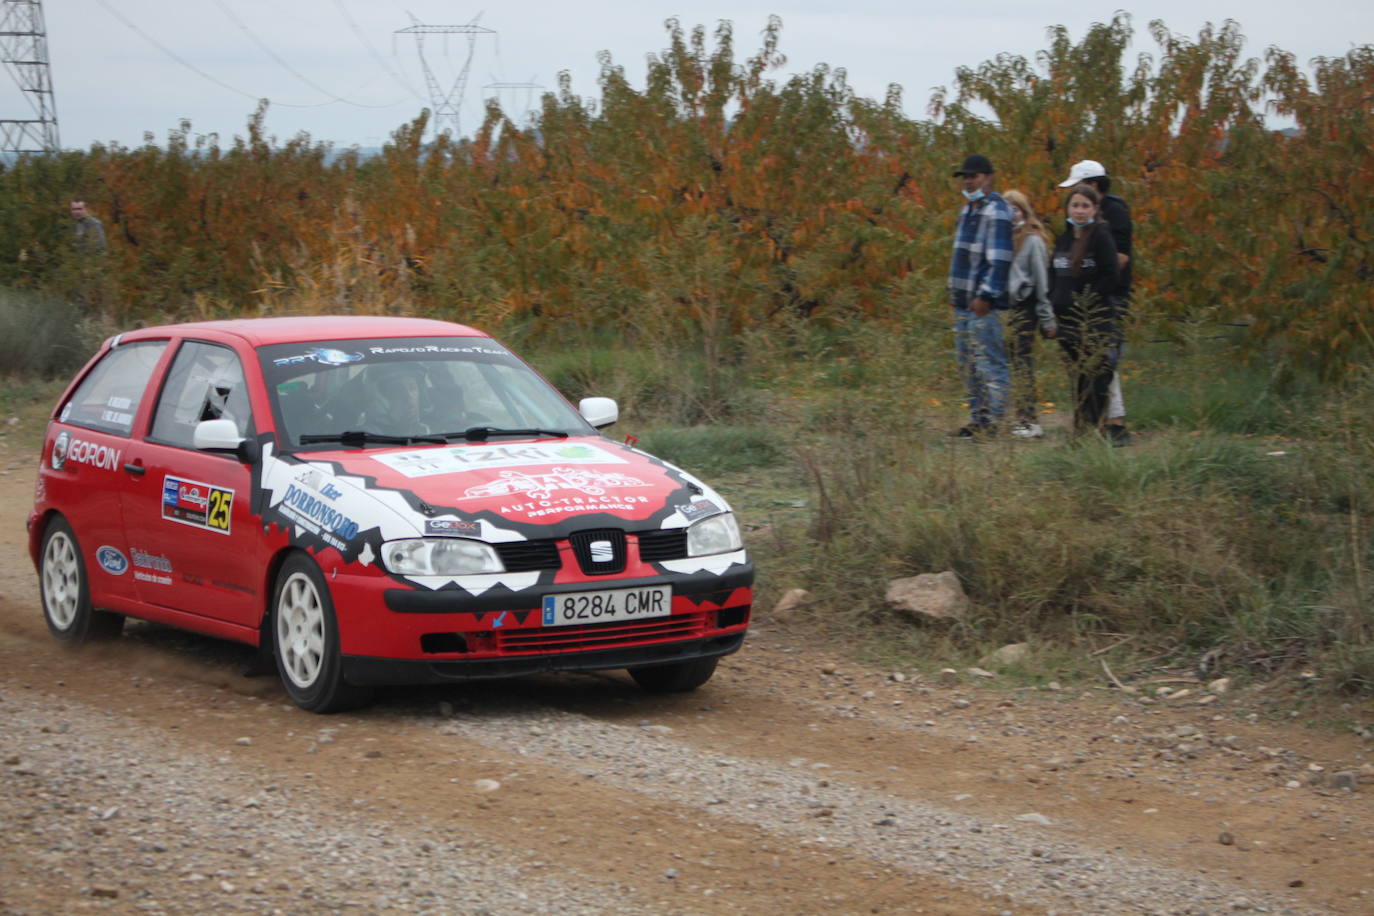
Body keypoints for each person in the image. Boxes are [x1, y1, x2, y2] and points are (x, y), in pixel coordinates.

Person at [1058, 160, 1132, 444]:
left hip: (1108, 296)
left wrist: (1092, 294)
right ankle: (1092, 423)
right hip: (1080, 302)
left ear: (1095, 186)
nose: (1078, 205)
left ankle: (1114, 423)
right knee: (1084, 367)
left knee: (1103, 363)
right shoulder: (1075, 223)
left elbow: (1119, 259)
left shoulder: (1114, 213)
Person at [946, 154, 1014, 439]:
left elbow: (999, 259)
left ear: (988, 177)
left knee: (989, 361)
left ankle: (994, 422)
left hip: (981, 304)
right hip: (962, 301)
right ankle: (979, 418)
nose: (969, 181)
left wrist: (986, 295)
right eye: (966, 177)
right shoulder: (968, 210)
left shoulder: (996, 210)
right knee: (969, 364)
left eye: (974, 176)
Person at [1050, 184, 1120, 434]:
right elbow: (1054, 275)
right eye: (1075, 205)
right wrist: (1052, 304)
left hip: (1094, 320)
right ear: (1068, 208)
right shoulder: (1064, 239)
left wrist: (1086, 301)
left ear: (1095, 209)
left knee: (1095, 375)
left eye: (1085, 206)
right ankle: (1081, 428)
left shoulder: (1101, 236)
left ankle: (1094, 427)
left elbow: (1111, 275)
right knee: (1078, 377)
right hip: (1066, 321)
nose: (1079, 211)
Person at [1002, 190, 1057, 439]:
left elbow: (1042, 279)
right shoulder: (1001, 238)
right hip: (1003, 307)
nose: (1011, 213)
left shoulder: (1032, 240)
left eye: (1015, 208)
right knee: (1008, 360)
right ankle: (1010, 415)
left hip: (1025, 306)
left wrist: (1047, 316)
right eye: (1006, 208)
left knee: (1022, 361)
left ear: (1024, 211)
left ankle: (1029, 419)